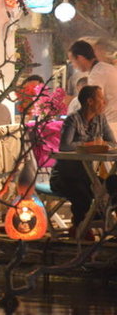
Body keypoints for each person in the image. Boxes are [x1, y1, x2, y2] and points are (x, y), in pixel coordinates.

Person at [50, 85, 116, 237]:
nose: (104, 102)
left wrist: (101, 145)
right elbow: (65, 146)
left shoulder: (101, 119)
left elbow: (112, 142)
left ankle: (92, 224)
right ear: (90, 101)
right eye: (101, 98)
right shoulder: (73, 119)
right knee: (82, 192)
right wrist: (89, 145)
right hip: (65, 176)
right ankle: (81, 228)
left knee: (109, 187)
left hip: (87, 175)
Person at [68, 40, 117, 123]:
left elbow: (94, 104)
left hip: (111, 123)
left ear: (80, 58)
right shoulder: (107, 68)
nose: (74, 66)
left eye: (72, 61)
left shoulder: (97, 74)